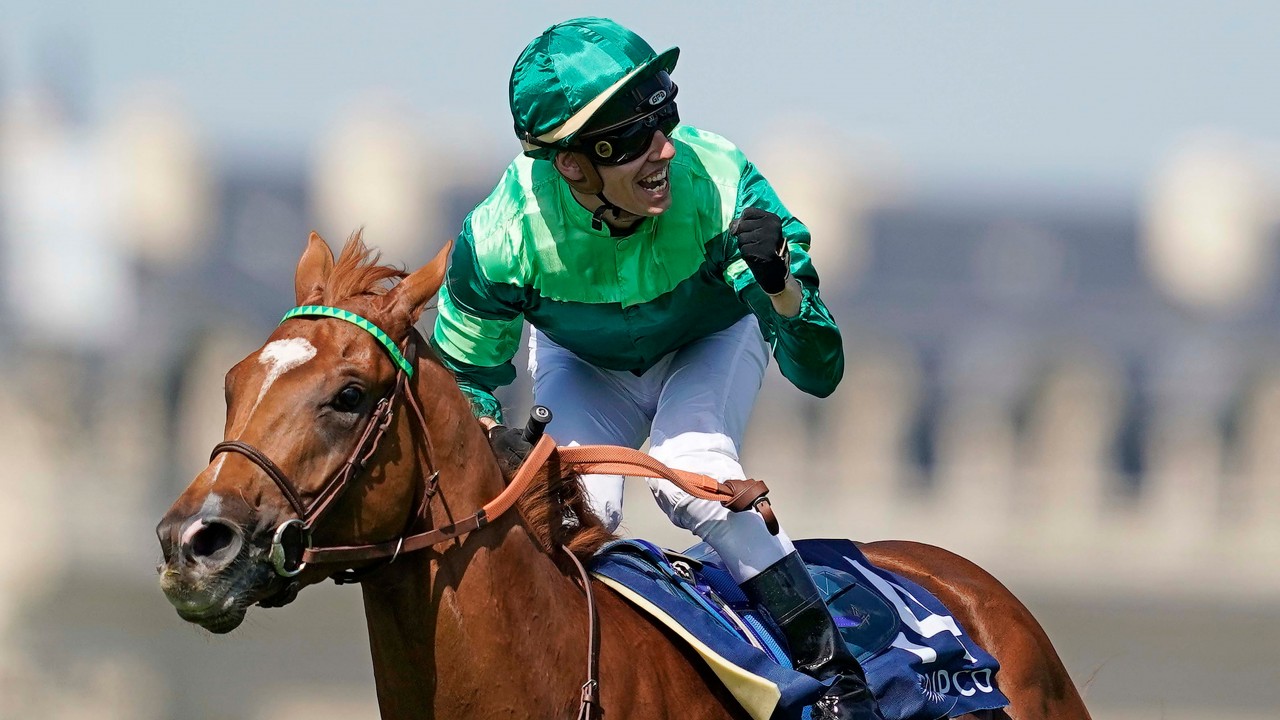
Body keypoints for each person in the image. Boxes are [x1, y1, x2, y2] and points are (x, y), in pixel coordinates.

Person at [430, 17, 880, 720]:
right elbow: (463, 382)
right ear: (572, 164)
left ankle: (839, 682)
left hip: (712, 341)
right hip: (585, 364)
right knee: (572, 510)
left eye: (664, 119)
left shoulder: (722, 182)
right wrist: (492, 433)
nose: (666, 148)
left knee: (694, 478)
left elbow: (820, 374)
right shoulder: (496, 239)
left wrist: (782, 288)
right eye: (638, 137)